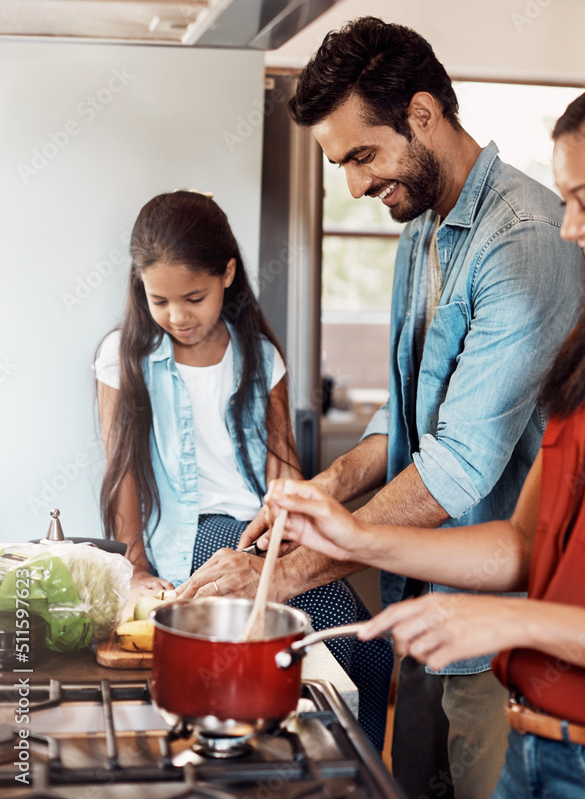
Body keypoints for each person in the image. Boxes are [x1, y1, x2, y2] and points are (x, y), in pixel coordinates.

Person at [263, 61, 585, 798]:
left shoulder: (518, 243)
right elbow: (527, 544)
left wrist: (519, 626)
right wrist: (356, 536)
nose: (568, 228)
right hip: (535, 733)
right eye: (567, 200)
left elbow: (461, 463)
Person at [178, 18, 582, 799]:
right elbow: (405, 415)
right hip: (421, 611)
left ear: (423, 115)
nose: (356, 186)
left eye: (363, 156)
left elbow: (453, 471)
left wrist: (280, 572)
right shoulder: (423, 228)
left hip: (502, 630)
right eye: (342, 165)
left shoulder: (523, 242)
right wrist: (329, 486)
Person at [94, 190, 392, 751]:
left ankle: (352, 775)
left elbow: (284, 469)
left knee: (373, 643)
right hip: (195, 534)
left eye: (194, 297)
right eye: (159, 300)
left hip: (257, 530)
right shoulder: (123, 357)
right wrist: (133, 566)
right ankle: (294, 760)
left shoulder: (259, 356)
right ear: (140, 285)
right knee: (324, 617)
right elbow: (122, 470)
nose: (178, 316)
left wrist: (297, 541)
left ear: (227, 273)